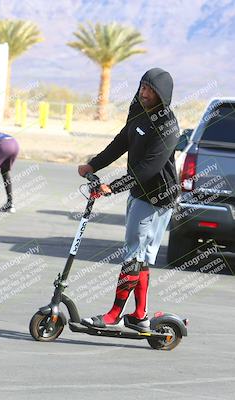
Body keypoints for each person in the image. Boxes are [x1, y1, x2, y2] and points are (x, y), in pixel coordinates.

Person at [78, 67, 180, 331]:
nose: (144, 93)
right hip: (138, 193)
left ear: (162, 95)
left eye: (150, 90)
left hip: (157, 197)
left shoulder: (167, 125)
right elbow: (121, 142)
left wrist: (114, 186)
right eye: (142, 87)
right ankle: (139, 315)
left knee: (133, 256)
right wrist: (94, 165)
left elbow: (149, 167)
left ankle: (113, 315)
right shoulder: (138, 112)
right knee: (140, 257)